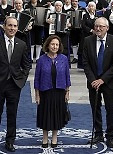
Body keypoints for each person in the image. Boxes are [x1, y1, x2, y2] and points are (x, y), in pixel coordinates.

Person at [83, 17, 113, 148]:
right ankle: (98, 134)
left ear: (107, 28)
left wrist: (102, 80)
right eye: (96, 26)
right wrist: (93, 80)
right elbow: (85, 62)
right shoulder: (88, 41)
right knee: (95, 108)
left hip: (108, 82)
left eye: (101, 27)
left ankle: (110, 136)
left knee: (110, 109)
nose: (98, 28)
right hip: (93, 82)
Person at [34, 35, 71, 148]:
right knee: (45, 115)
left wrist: (67, 92)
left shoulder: (64, 59)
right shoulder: (41, 60)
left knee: (57, 115)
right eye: (52, 44)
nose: (54, 46)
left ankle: (54, 137)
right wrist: (37, 95)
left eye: (57, 44)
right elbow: (37, 78)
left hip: (59, 92)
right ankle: (45, 137)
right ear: (48, 45)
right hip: (45, 92)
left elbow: (67, 76)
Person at [0, 16, 30, 152]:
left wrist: (22, 80)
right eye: (10, 25)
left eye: (15, 26)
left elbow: (27, 65)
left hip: (14, 85)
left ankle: (10, 141)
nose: (12, 28)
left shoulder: (21, 44)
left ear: (18, 28)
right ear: (4, 26)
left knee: (12, 114)